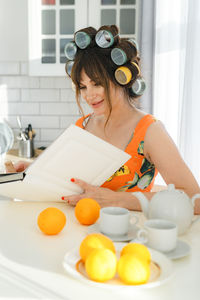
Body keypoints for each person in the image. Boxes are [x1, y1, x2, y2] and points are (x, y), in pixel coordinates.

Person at [6, 25, 200, 214]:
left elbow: (194, 199)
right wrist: (35, 170)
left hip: (129, 238)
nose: (89, 96)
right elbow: (69, 179)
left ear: (120, 79)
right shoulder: (82, 126)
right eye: (83, 87)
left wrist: (116, 200)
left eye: (96, 83)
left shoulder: (149, 131)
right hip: (78, 232)